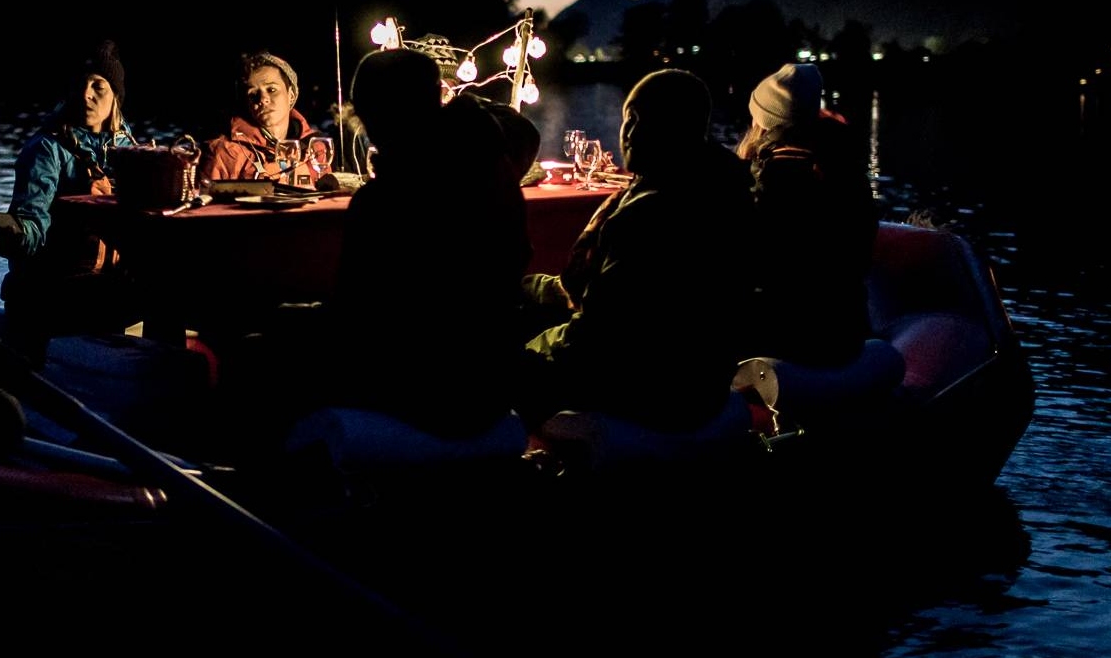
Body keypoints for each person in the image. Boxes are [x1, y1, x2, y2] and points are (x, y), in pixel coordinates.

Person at [214, 47, 541, 451]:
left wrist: (285, 316)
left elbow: (357, 321)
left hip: (421, 387)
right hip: (491, 377)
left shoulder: (386, 200)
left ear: (370, 114)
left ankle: (258, 489)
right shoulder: (493, 163)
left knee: (252, 355)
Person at [517, 68, 753, 434]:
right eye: (628, 118)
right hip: (706, 375)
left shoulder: (650, 215)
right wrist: (532, 289)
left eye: (638, 120)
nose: (628, 131)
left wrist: (525, 350)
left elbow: (595, 342)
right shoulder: (727, 186)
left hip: (646, 391)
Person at [0, 41, 142, 361]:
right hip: (53, 287)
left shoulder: (130, 149)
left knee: (162, 291)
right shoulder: (45, 149)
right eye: (80, 84)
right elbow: (33, 216)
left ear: (115, 96)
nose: (87, 94)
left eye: (99, 86)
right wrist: (17, 234)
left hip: (106, 282)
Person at [736, 62, 879, 367]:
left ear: (762, 122)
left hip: (779, 342)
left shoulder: (758, 183)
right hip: (846, 335)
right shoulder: (847, 174)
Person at [200, 51, 325, 185]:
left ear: (292, 95)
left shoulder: (315, 147)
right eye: (253, 93)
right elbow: (206, 202)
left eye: (271, 89)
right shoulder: (226, 152)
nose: (263, 99)